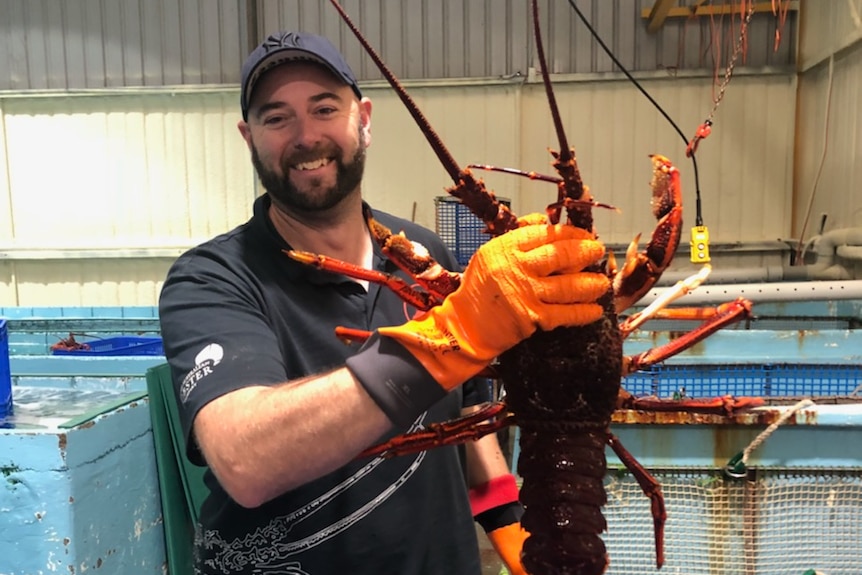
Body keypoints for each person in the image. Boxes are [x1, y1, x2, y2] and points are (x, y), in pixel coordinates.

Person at [158, 30, 609, 575]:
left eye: (325, 108)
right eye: (276, 118)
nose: (305, 135)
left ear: (364, 120)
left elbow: (468, 417)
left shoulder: (427, 252)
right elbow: (243, 460)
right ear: (247, 136)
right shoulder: (211, 278)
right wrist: (453, 335)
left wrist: (511, 531)